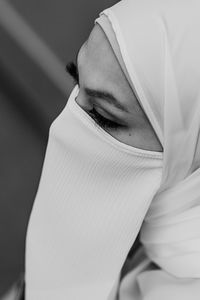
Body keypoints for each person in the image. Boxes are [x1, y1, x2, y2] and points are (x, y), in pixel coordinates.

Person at [25, 0, 200, 299]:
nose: (65, 127)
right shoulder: (148, 237)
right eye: (76, 84)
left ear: (188, 145)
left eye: (103, 115)